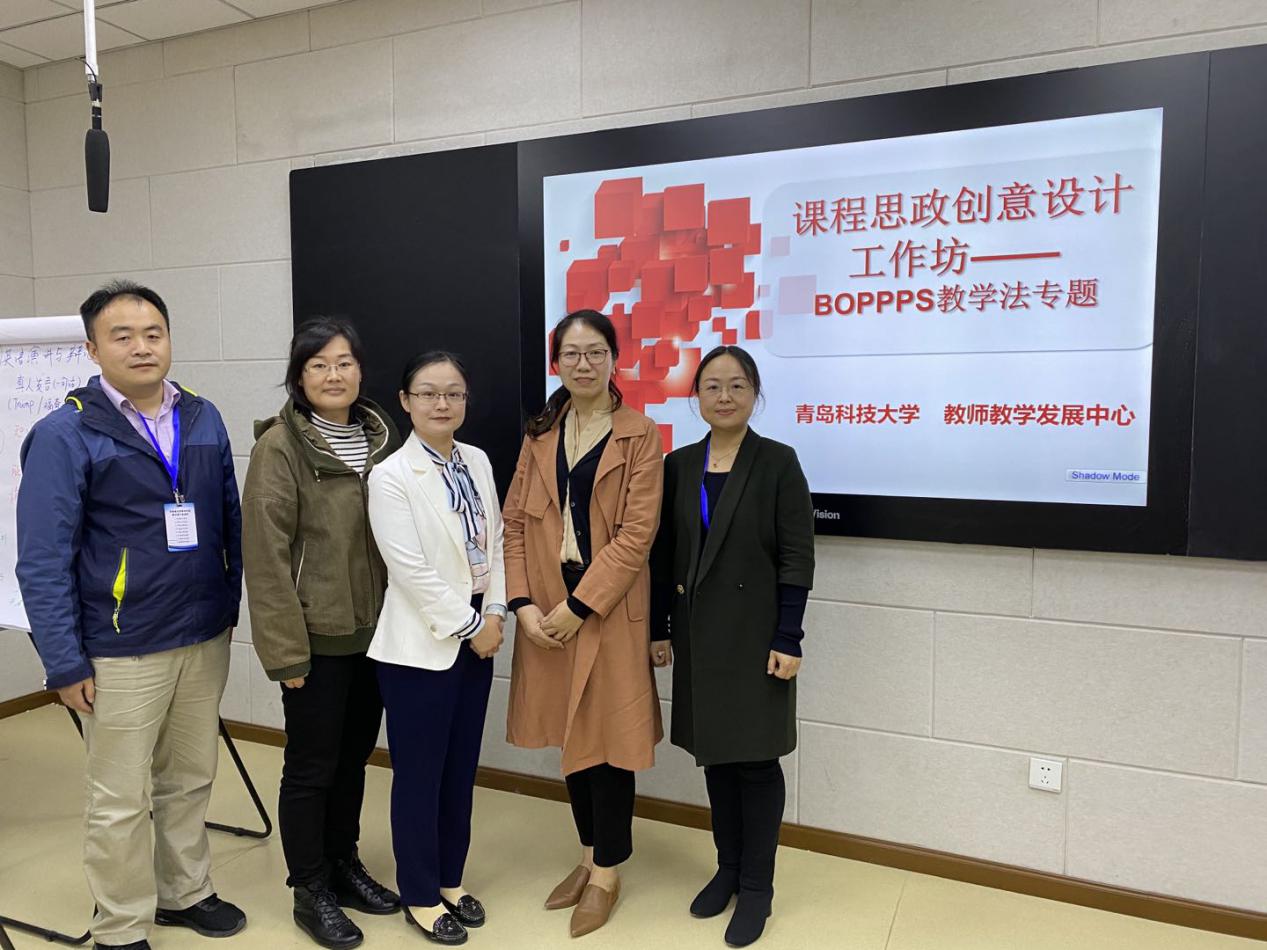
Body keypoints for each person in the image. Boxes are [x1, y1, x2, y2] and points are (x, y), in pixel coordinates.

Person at [16, 280, 246, 950]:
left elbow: (227, 520)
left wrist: (226, 605)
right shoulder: (65, 434)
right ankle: (119, 925)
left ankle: (184, 892)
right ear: (92, 349)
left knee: (189, 779)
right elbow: (42, 560)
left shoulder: (201, 416)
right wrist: (63, 662)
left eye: (153, 333)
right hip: (120, 647)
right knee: (119, 798)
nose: (142, 347)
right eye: (122, 336)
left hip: (201, 634)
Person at [502, 309, 664, 939]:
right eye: (571, 353)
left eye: (595, 352)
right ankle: (588, 855)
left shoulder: (640, 434)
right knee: (571, 736)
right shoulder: (540, 433)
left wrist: (579, 607)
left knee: (608, 741)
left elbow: (636, 536)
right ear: (556, 363)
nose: (583, 364)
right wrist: (522, 604)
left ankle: (607, 872)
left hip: (605, 609)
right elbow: (515, 524)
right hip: (547, 605)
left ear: (615, 359)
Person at [242, 318, 401, 948]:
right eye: (319, 365)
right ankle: (309, 887)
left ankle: (342, 864)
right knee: (311, 767)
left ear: (360, 370)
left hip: (378, 636)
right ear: (299, 375)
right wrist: (286, 654)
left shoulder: (383, 438)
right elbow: (266, 559)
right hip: (315, 639)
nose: (334, 375)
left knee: (354, 759)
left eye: (344, 363)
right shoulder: (279, 447)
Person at [650, 345, 814, 948]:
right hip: (698, 635)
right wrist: (658, 627)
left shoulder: (778, 462)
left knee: (757, 761)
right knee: (716, 758)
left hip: (757, 637)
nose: (724, 396)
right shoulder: (678, 464)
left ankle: (757, 887)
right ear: (696, 396)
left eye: (737, 385)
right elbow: (663, 554)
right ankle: (727, 869)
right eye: (712, 386)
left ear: (755, 394)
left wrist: (789, 636)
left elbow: (797, 557)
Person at [367, 352, 505, 947]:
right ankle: (420, 894)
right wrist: (472, 625)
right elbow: (411, 571)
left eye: (453, 393)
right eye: (428, 393)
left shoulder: (477, 460)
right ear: (405, 401)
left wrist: (495, 611)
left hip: (478, 638)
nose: (441, 404)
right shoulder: (391, 475)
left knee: (460, 770)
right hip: (419, 650)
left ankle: (451, 878)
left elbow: (496, 542)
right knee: (419, 777)